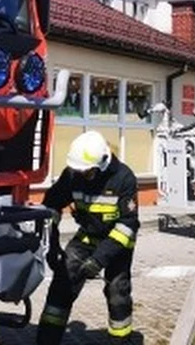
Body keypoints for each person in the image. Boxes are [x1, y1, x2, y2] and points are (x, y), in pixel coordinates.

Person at [37, 131, 140, 343]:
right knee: (61, 286)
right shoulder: (74, 174)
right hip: (86, 238)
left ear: (102, 163)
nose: (82, 175)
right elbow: (51, 206)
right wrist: (53, 244)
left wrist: (99, 260)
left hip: (117, 244)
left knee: (117, 291)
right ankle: (46, 340)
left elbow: (128, 225)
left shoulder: (123, 178)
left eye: (87, 172)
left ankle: (121, 340)